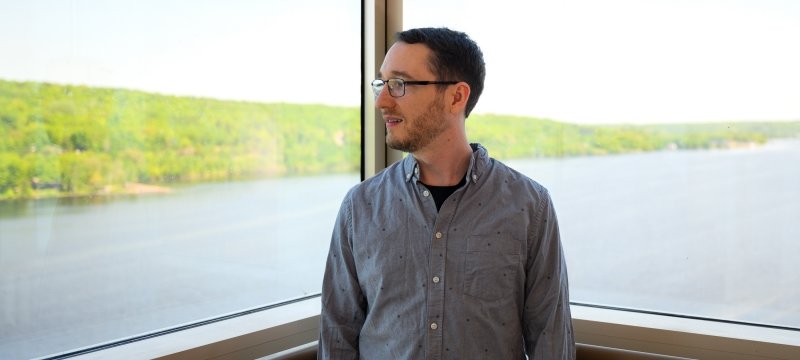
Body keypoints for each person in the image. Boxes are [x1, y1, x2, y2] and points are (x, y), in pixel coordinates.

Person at [319, 27, 575, 359]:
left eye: (400, 84)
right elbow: (337, 336)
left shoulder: (529, 206)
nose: (382, 100)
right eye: (381, 84)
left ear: (456, 96)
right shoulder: (360, 206)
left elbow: (551, 340)